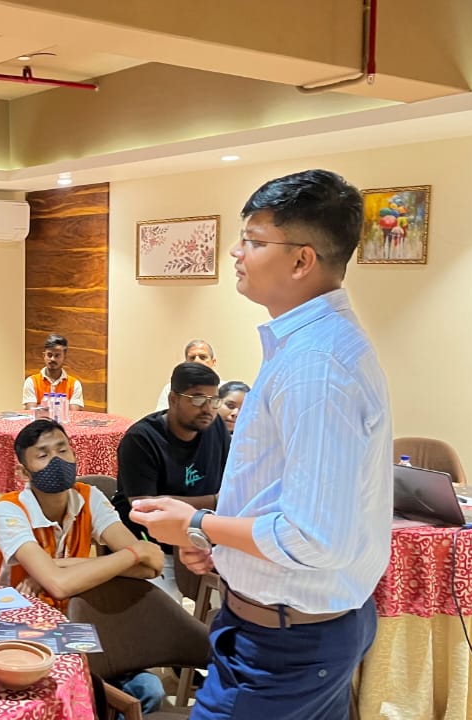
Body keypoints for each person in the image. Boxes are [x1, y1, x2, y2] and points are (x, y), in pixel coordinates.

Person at [130, 169, 392, 720]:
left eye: (252, 240)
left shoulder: (316, 365)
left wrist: (199, 524)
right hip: (283, 626)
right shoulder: (307, 346)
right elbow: (280, 498)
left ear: (301, 261)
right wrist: (222, 546)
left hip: (288, 644)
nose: (236, 252)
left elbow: (312, 537)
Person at [0, 419, 166, 715]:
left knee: (149, 689)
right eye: (43, 455)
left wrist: (61, 565)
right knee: (78, 693)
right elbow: (59, 585)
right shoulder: (9, 509)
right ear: (23, 472)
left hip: (76, 623)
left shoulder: (89, 497)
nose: (57, 460)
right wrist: (131, 554)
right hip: (16, 627)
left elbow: (150, 565)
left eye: (62, 450)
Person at [114, 362, 230, 600]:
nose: (207, 408)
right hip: (153, 545)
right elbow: (144, 506)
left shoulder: (215, 426)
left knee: (230, 602)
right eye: (198, 399)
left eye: (214, 400)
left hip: (205, 539)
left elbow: (230, 479)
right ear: (173, 399)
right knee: (165, 616)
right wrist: (214, 501)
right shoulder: (141, 439)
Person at [22, 334, 84, 410]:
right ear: (44, 356)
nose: (52, 359)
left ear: (64, 358)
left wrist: (43, 408)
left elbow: (74, 413)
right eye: (49, 355)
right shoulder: (31, 382)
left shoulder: (74, 384)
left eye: (57, 355)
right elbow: (31, 411)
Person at [154, 339, 216, 411]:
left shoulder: (224, 388)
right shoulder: (171, 389)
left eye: (203, 357)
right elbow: (162, 415)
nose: (197, 361)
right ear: (186, 363)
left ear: (213, 362)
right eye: (192, 358)